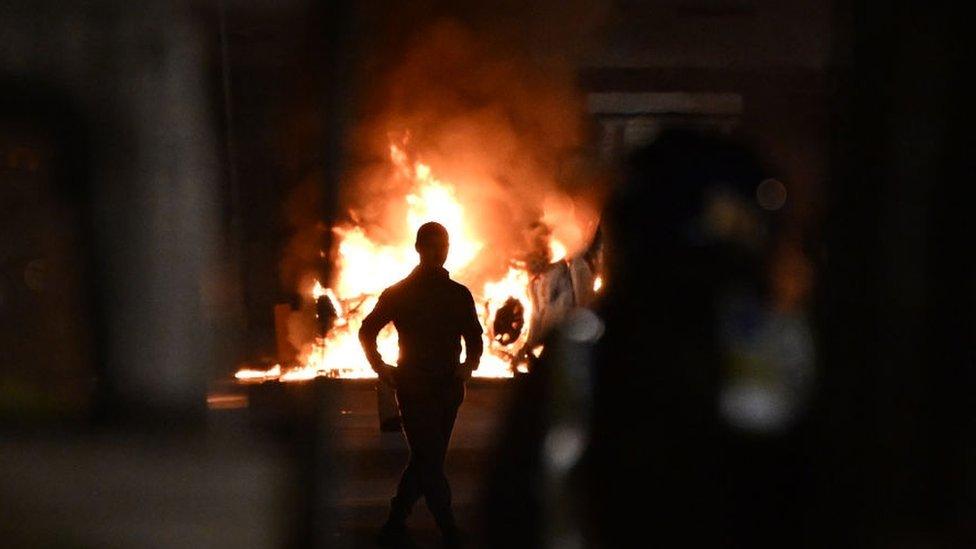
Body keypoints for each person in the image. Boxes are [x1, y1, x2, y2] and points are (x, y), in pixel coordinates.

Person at [359, 221, 483, 546]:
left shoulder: (458, 294)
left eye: (442, 246)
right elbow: (367, 330)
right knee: (429, 458)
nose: (437, 252)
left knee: (427, 459)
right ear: (417, 248)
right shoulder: (400, 293)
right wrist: (379, 366)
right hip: (414, 387)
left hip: (447, 388)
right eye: (430, 245)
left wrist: (467, 367)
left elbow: (475, 337)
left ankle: (395, 521)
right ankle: (448, 528)